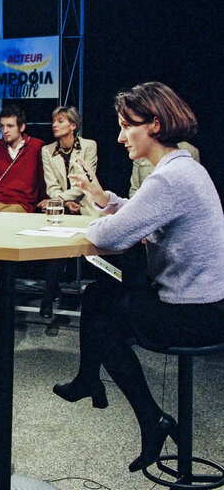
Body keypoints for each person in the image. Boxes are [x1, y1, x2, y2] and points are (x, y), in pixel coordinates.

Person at [53, 82, 224, 473]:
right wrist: (104, 199)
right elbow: (140, 210)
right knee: (98, 294)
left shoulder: (169, 178)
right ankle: (88, 380)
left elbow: (109, 236)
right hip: (207, 305)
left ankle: (150, 418)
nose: (119, 136)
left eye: (126, 125)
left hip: (198, 314)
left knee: (105, 323)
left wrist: (96, 220)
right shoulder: (181, 168)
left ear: (155, 125)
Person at [0, 104, 46, 321]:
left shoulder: (38, 147)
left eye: (10, 126)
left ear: (22, 127)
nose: (5, 130)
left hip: (20, 204)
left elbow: (44, 178)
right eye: (2, 126)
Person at [38, 106, 99, 319]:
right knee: (55, 247)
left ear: (73, 126)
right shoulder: (47, 150)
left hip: (84, 205)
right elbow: (51, 185)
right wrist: (63, 203)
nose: (55, 125)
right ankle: (48, 297)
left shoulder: (89, 146)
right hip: (61, 208)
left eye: (60, 121)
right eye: (54, 121)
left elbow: (84, 182)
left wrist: (64, 200)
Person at [128, 141, 200, 197]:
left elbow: (192, 191)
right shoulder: (142, 150)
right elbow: (134, 190)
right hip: (143, 208)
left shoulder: (190, 150)